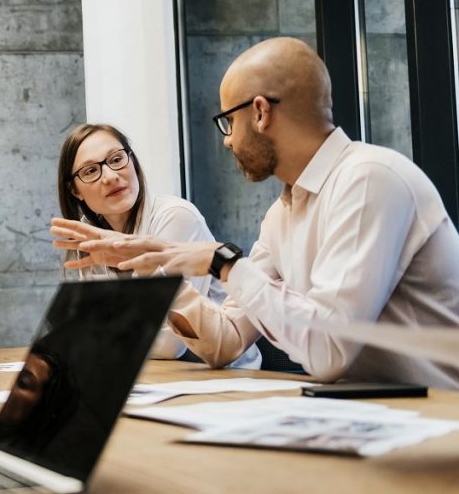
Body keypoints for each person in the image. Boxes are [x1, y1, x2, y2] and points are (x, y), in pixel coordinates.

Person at [56, 37, 459, 388]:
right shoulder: (281, 214)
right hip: (370, 417)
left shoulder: (369, 179)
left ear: (261, 112)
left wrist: (224, 262)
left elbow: (329, 350)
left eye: (228, 122)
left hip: (437, 422)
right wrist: (149, 266)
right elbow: (224, 343)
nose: (227, 141)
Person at [53, 123, 260, 368]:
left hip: (221, 376)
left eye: (117, 159)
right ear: (74, 190)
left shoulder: (176, 217)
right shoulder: (85, 236)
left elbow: (170, 344)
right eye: (90, 171)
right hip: (147, 377)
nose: (110, 176)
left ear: (132, 160)